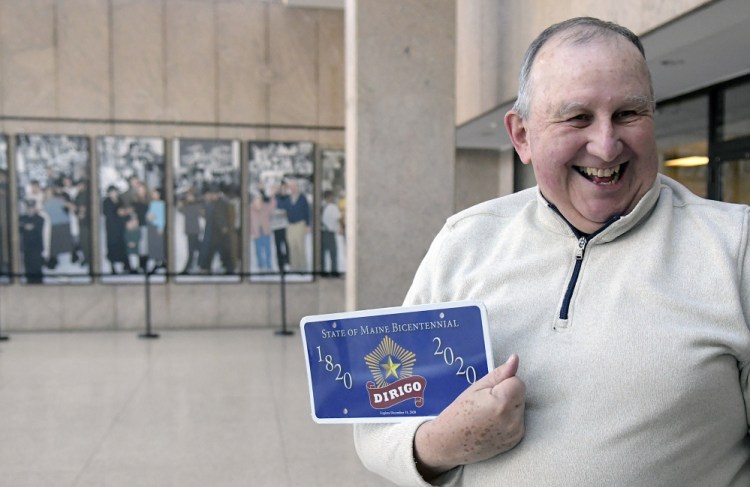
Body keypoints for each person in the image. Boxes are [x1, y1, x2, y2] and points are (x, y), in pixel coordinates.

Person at [354, 17, 750, 486]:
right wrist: (442, 443)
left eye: (628, 114)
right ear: (522, 135)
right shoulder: (465, 241)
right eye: (577, 117)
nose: (606, 146)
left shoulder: (734, 247)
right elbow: (378, 421)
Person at [320, 190, 341, 277]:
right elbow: (338, 218)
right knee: (333, 253)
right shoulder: (333, 207)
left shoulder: (322, 206)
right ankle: (334, 272)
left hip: (322, 232)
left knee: (322, 253)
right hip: (330, 232)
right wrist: (340, 227)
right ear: (330, 197)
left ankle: (323, 272)